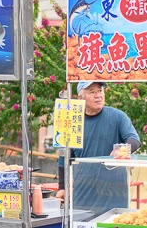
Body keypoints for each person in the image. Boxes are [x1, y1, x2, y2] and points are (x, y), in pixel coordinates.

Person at [56, 81, 141, 210]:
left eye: (100, 90)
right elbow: (64, 158)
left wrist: (123, 149)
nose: (98, 95)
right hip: (83, 196)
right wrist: (62, 187)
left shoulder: (117, 117)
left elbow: (134, 139)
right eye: (92, 92)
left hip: (114, 196)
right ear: (80, 98)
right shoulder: (72, 120)